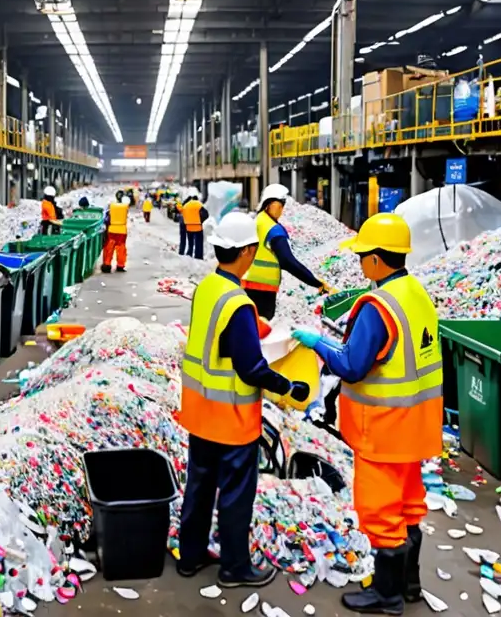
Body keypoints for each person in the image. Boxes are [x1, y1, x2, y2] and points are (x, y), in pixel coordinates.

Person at [291, 214, 442, 615]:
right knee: (409, 504)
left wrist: (318, 343)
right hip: (416, 427)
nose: (360, 263)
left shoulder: (378, 306)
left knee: (380, 513)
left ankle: (387, 596)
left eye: (363, 256)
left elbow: (352, 365)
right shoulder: (415, 293)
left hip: (383, 432)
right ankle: (409, 583)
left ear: (377, 259)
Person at [179, 212, 311, 587]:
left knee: (200, 484)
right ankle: (235, 567)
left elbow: (214, 342)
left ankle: (190, 556)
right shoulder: (238, 303)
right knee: (236, 494)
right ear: (248, 252)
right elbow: (251, 368)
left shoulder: (206, 288)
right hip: (231, 416)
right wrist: (289, 387)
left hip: (199, 409)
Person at [243, 183, 329, 320]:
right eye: (280, 203)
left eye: (283, 204)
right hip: (263, 289)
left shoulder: (259, 220)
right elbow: (287, 261)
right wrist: (315, 282)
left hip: (249, 283)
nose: (282, 208)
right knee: (261, 328)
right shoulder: (273, 229)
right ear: (269, 203)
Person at [101, 191, 130, 273]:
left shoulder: (111, 206)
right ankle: (120, 265)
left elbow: (105, 216)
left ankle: (107, 265)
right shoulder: (125, 206)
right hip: (122, 230)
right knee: (121, 248)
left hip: (112, 229)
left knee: (109, 248)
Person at [181, 188, 209, 259]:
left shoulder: (186, 205)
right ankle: (198, 256)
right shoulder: (198, 204)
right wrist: (200, 220)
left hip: (189, 227)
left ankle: (189, 254)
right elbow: (206, 214)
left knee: (190, 242)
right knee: (198, 242)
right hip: (197, 226)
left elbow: (183, 215)